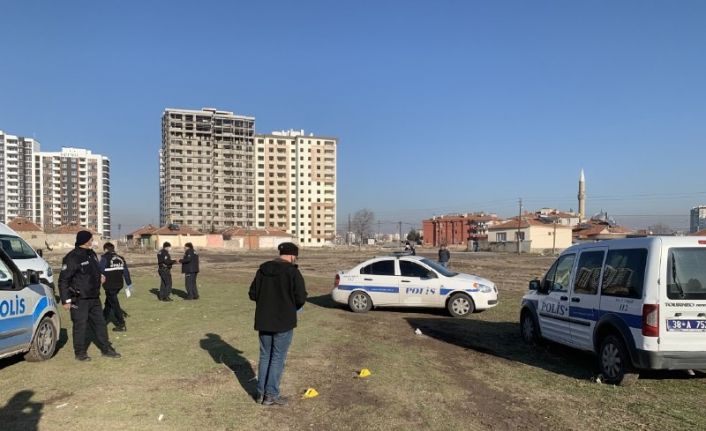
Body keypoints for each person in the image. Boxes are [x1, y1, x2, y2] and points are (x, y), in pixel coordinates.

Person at [248, 242, 307, 406]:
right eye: (296, 256)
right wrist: (290, 304)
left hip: (264, 320)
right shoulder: (293, 272)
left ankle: (260, 393)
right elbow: (301, 297)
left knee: (265, 355)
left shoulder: (262, 270)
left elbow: (253, 294)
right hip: (284, 321)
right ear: (293, 255)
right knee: (278, 357)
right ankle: (271, 395)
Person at [58, 230, 121, 361]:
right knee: (80, 326)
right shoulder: (72, 257)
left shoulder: (92, 254)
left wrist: (100, 276)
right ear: (85, 241)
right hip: (79, 299)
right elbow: (63, 280)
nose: (93, 241)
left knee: (100, 324)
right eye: (91, 239)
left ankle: (106, 349)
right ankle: (80, 353)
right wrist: (66, 300)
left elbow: (94, 270)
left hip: (94, 297)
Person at [99, 242, 132, 332]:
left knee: (114, 304)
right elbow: (126, 272)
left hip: (109, 285)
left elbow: (99, 270)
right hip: (119, 285)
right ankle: (103, 319)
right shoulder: (121, 258)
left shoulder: (105, 258)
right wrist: (129, 284)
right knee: (109, 302)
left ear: (106, 249)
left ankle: (121, 324)